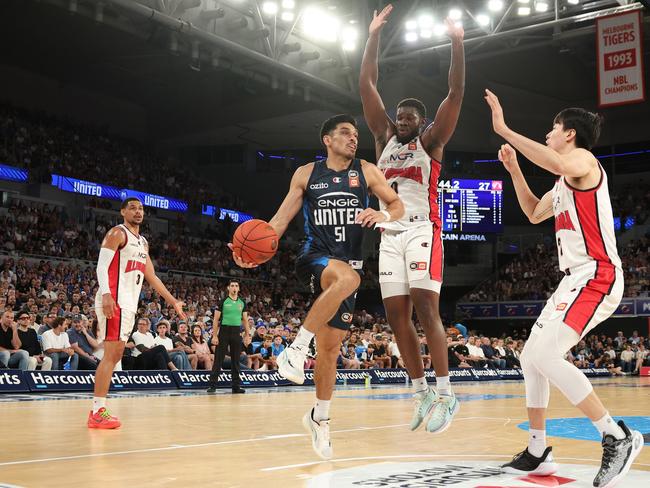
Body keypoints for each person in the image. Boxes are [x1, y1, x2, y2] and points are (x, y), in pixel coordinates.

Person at [485, 92, 644, 486]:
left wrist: (504, 129)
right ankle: (538, 450)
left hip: (597, 274)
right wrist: (515, 170)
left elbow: (556, 160)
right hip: (573, 278)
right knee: (529, 358)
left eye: (554, 128)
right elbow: (533, 212)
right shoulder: (562, 182)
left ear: (569, 134)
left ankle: (616, 435)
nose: (548, 133)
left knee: (546, 354)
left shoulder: (585, 162)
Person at [229, 114, 403, 459]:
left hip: (349, 262)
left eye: (355, 135)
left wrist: (383, 215)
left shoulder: (367, 171)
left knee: (330, 351)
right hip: (314, 258)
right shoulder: (307, 173)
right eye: (345, 133)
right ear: (327, 139)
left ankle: (320, 418)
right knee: (347, 279)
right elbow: (278, 222)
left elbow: (396, 205)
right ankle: (294, 349)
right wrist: (251, 254)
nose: (353, 139)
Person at [359, 4, 465, 434]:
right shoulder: (383, 137)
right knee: (396, 317)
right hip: (389, 234)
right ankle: (420, 391)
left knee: (426, 308)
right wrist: (373, 37)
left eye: (410, 118)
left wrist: (457, 43)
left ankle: (447, 393)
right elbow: (367, 82)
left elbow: (455, 94)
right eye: (399, 116)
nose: (402, 121)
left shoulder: (432, 141)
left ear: (422, 122)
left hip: (423, 228)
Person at [89, 197, 186, 429]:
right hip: (115, 299)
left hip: (128, 304)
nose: (138, 211)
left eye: (141, 208)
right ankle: (96, 411)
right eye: (132, 208)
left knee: (114, 356)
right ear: (123, 211)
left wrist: (173, 302)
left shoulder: (142, 242)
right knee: (111, 355)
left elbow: (151, 276)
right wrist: (105, 295)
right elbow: (101, 266)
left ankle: (98, 408)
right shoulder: (117, 233)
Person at [207, 280, 250, 394]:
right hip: (224, 331)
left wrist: (247, 335)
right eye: (232, 286)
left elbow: (245, 320)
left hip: (237, 332)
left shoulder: (242, 302)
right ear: (228, 288)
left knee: (236, 360)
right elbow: (216, 319)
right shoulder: (223, 301)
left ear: (239, 288)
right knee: (218, 359)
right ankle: (212, 385)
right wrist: (215, 336)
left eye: (236, 286)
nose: (234, 287)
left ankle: (236, 387)